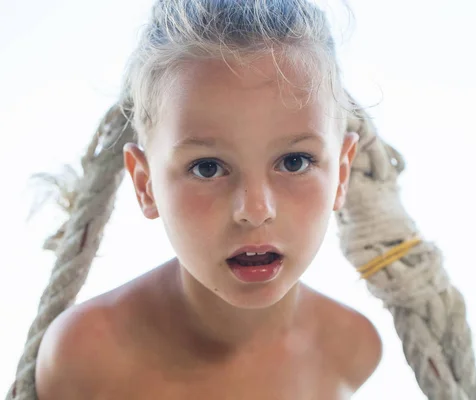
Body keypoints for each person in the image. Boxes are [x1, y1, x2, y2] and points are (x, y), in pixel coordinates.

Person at [31, 1, 383, 398]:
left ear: (341, 172)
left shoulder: (352, 349)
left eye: (294, 161)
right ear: (146, 185)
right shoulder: (84, 358)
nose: (254, 211)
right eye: (208, 168)